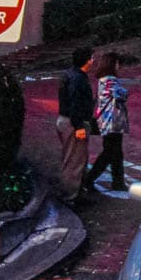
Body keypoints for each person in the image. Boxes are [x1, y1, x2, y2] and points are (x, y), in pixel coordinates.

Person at [84, 51, 130, 193]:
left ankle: (118, 182)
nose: (119, 66)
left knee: (115, 152)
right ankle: (89, 179)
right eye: (117, 63)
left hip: (109, 121)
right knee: (110, 152)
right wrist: (125, 92)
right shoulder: (110, 80)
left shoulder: (103, 80)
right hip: (111, 121)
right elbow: (121, 94)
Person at [56, 46, 95, 204]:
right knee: (74, 161)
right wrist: (78, 125)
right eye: (91, 58)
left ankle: (75, 194)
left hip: (66, 120)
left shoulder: (70, 75)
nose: (93, 61)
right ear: (87, 61)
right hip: (73, 123)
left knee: (75, 159)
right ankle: (70, 197)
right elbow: (75, 102)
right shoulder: (78, 79)